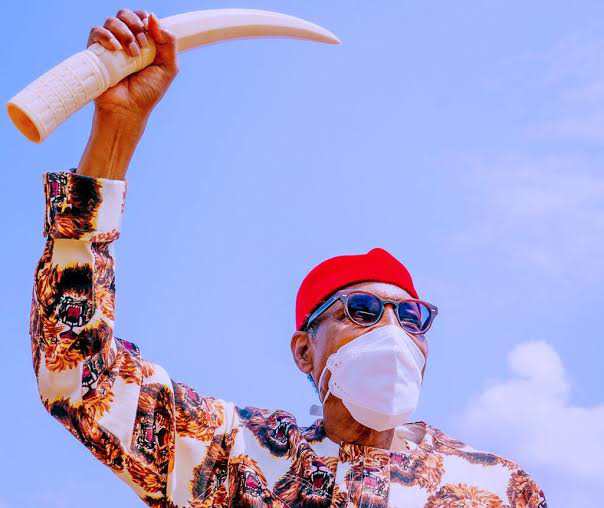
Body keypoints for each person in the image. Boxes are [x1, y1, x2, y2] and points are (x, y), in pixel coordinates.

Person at [30, 8, 547, 508]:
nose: (394, 332)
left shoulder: (499, 489)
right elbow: (81, 378)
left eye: (412, 317)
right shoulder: (237, 461)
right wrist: (119, 125)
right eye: (363, 311)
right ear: (304, 351)